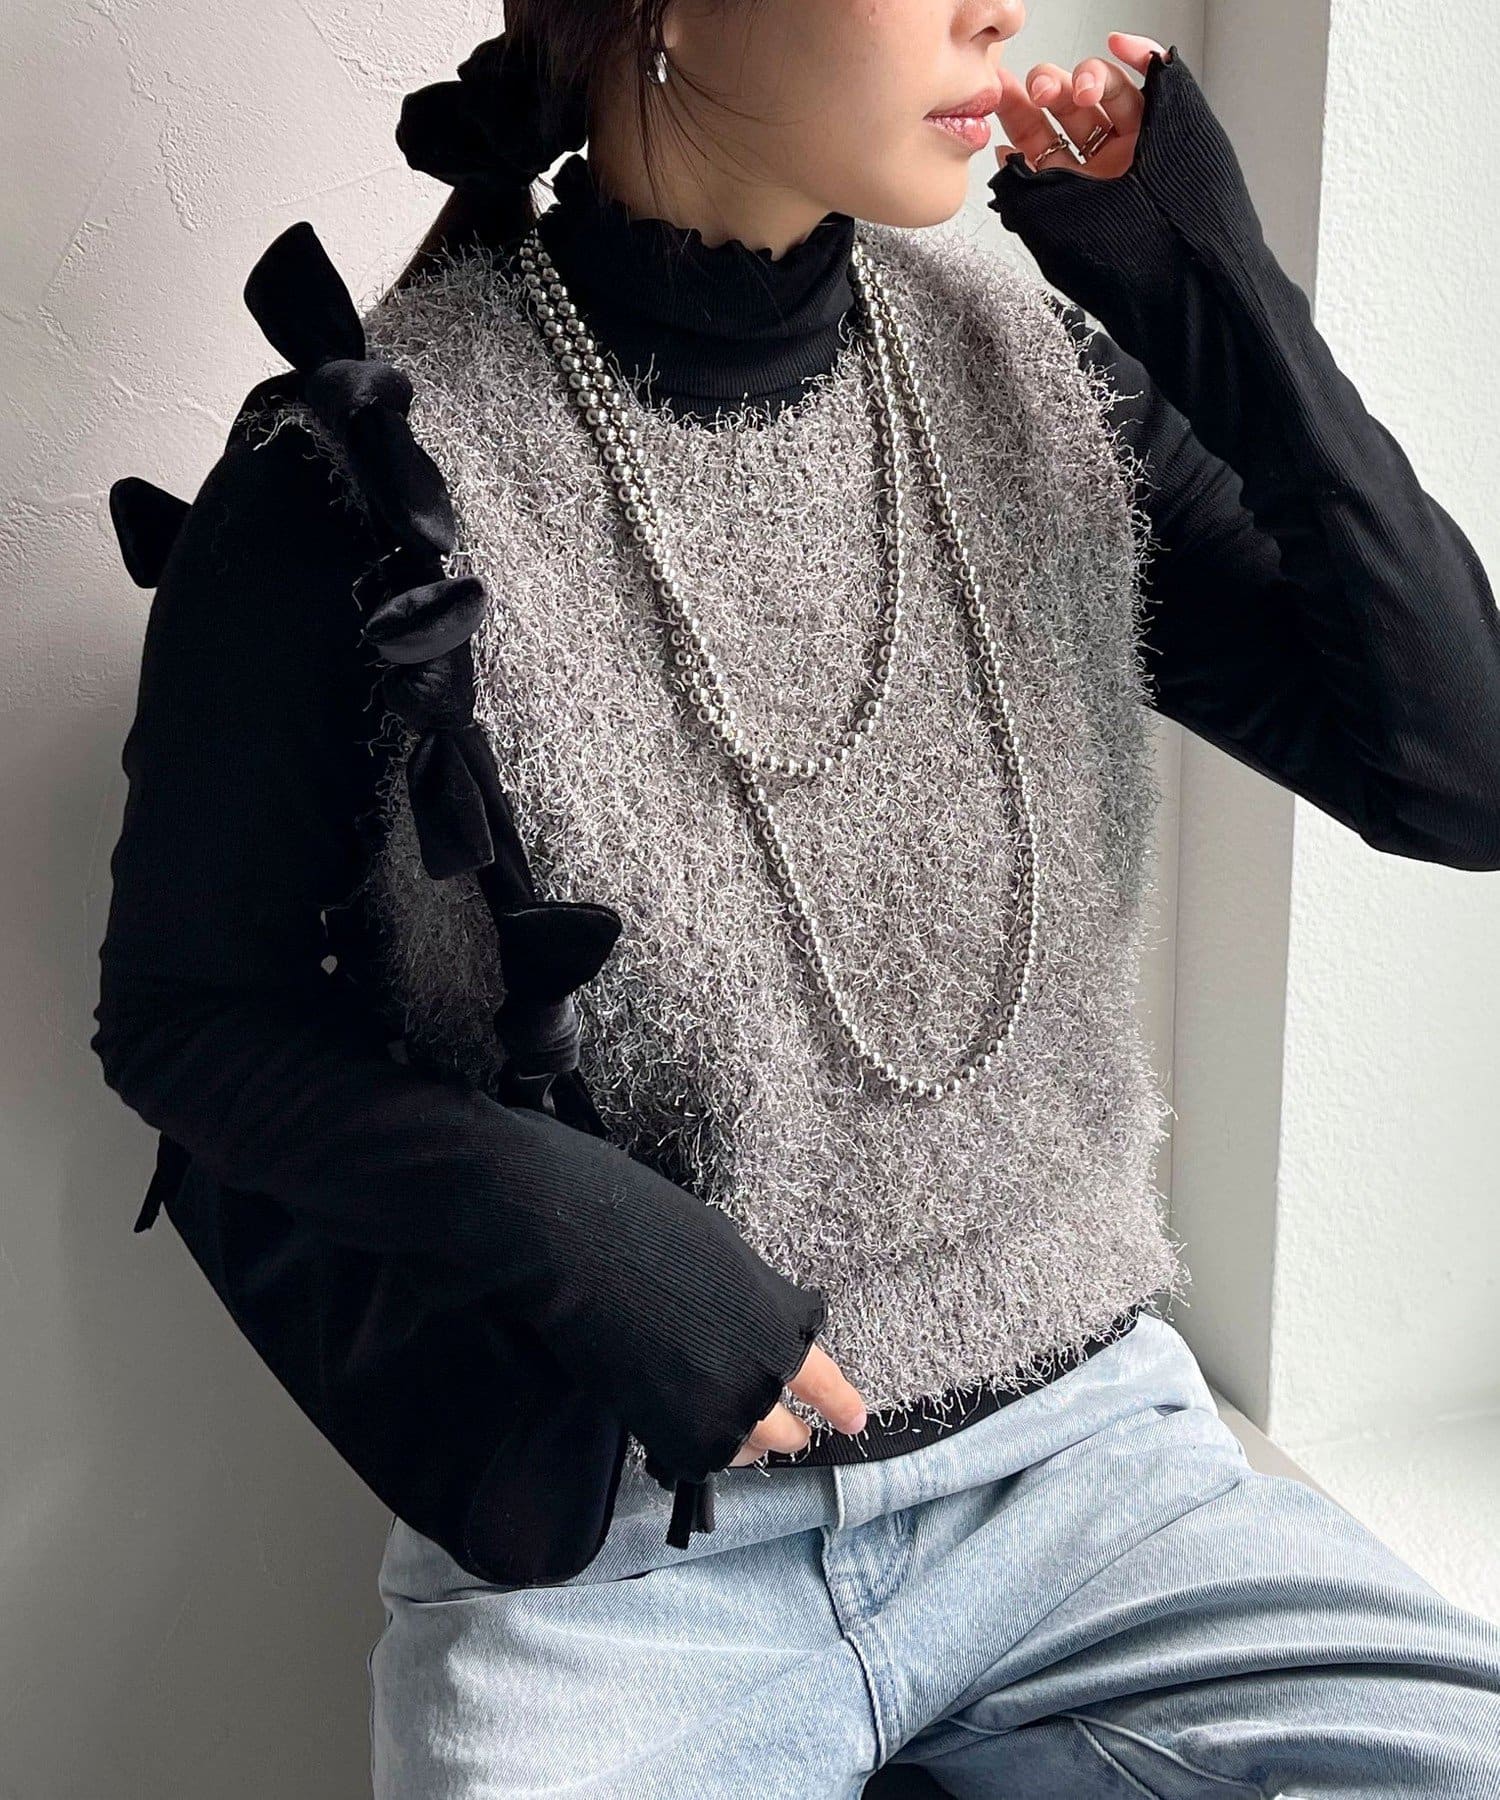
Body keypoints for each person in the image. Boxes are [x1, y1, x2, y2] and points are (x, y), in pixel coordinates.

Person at [90, 3, 1500, 1793]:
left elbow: (1457, 777)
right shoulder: (361, 473)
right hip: (627, 1555)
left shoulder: (1037, 376)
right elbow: (183, 1019)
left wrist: (1215, 296)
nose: (999, 10)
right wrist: (578, 1228)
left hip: (1096, 1485)